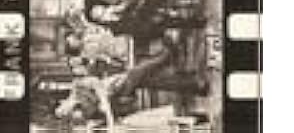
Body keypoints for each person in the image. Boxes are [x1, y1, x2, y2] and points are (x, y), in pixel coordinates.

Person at [55, 36, 208, 127]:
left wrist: (103, 102)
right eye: (65, 115)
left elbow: (95, 83)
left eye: (63, 110)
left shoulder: (77, 88)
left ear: (63, 102)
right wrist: (108, 113)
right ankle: (168, 58)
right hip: (122, 99)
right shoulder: (84, 113)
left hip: (116, 85)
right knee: (140, 73)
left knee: (148, 78)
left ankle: (193, 83)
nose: (66, 112)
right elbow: (102, 116)